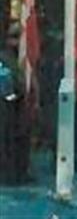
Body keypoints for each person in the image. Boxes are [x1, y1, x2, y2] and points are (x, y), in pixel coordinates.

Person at [0, 21, 32, 184]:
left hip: (17, 107)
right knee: (6, 141)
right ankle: (8, 175)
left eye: (18, 37)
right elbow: (5, 82)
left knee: (19, 139)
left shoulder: (18, 58)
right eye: (14, 37)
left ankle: (20, 172)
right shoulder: (3, 58)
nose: (17, 42)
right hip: (7, 108)